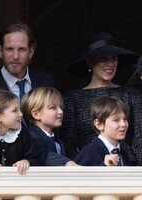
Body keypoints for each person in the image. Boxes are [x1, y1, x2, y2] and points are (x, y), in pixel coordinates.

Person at [60, 32, 142, 165]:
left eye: (113, 58)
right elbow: (68, 144)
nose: (110, 63)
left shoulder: (132, 94)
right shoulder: (72, 99)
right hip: (90, 168)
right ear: (90, 62)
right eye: (103, 58)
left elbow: (139, 139)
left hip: (128, 167)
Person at [0, 22, 54, 126]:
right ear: (0, 51)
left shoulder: (45, 82)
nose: (15, 56)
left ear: (31, 52)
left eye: (21, 49)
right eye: (9, 49)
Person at [21, 87, 78, 166]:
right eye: (53, 107)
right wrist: (68, 163)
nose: (60, 112)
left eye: (61, 107)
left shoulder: (57, 140)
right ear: (36, 114)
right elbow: (45, 155)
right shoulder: (31, 137)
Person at [74, 96, 136, 166]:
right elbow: (77, 176)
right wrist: (104, 166)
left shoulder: (124, 153)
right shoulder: (89, 152)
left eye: (125, 119)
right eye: (116, 120)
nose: (123, 124)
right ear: (99, 124)